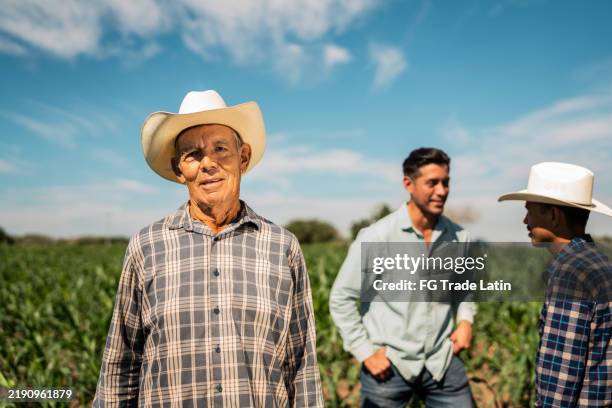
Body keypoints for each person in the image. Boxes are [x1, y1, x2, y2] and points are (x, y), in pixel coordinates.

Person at [93, 90, 324, 407]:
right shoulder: (145, 246)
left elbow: (302, 365)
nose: (208, 164)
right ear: (179, 169)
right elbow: (121, 364)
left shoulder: (282, 246)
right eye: (193, 154)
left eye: (221, 149)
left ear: (242, 157)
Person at [330, 147, 475, 407]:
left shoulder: (458, 236)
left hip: (441, 359)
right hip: (389, 364)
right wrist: (365, 352)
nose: (442, 191)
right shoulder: (377, 237)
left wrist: (466, 321)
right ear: (408, 183)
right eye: (432, 183)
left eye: (446, 182)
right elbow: (341, 297)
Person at [498, 162, 611, 407]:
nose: (524, 219)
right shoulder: (599, 262)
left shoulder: (570, 274)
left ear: (553, 215)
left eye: (529, 210)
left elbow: (561, 377)